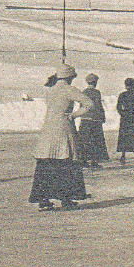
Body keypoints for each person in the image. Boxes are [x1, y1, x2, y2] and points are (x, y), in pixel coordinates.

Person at [29, 64, 94, 211]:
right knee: (66, 163)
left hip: (48, 128)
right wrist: (74, 115)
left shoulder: (50, 91)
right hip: (63, 129)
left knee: (46, 163)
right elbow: (89, 104)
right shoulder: (70, 90)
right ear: (70, 77)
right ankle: (66, 199)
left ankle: (43, 200)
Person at [77, 74, 109, 167]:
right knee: (95, 140)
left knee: (85, 140)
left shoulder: (84, 92)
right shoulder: (96, 92)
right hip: (95, 119)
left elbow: (81, 106)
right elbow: (99, 106)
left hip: (85, 119)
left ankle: (83, 160)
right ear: (95, 82)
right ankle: (94, 161)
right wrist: (102, 117)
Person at [116, 78, 134, 163]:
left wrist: (122, 113)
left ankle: (123, 156)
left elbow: (118, 106)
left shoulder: (122, 94)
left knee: (124, 136)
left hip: (125, 117)